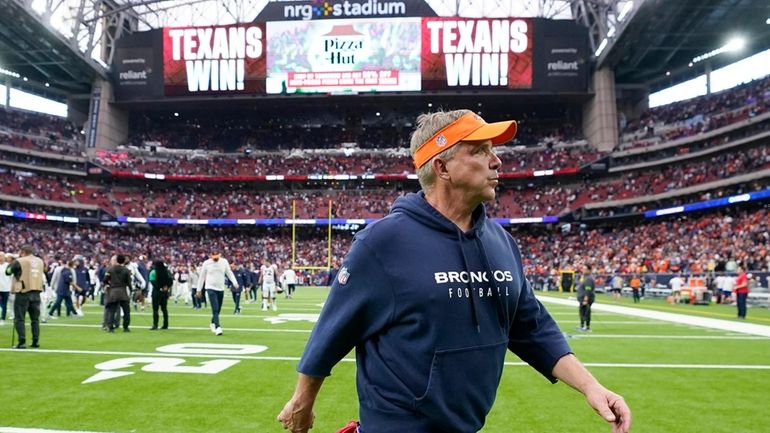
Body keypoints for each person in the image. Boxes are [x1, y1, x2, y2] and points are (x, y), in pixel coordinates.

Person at [277, 110, 631, 433]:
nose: (496, 160)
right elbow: (332, 331)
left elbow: (532, 328)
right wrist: (302, 402)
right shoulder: (383, 242)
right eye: (479, 151)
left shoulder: (501, 242)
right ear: (442, 168)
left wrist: (592, 387)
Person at [5, 244, 45, 349]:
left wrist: (14, 261)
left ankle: (21, 342)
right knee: (35, 319)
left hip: (23, 292)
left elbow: (8, 272)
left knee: (19, 318)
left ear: (22, 252)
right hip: (36, 292)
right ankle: (35, 341)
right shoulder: (40, 261)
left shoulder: (20, 261)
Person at [197, 251, 239, 336]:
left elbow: (229, 272)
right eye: (214, 257)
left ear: (220, 255)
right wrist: (199, 289)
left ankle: (213, 322)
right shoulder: (206, 263)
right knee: (215, 308)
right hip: (210, 288)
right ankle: (218, 327)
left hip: (220, 288)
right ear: (210, 256)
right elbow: (202, 276)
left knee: (218, 308)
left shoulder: (224, 262)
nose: (215, 258)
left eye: (217, 257)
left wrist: (235, 282)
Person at [102, 254, 132, 333]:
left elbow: (105, 280)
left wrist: (108, 285)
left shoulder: (110, 269)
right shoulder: (126, 270)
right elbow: (129, 282)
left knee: (112, 310)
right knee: (126, 311)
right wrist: (131, 291)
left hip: (113, 292)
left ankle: (111, 327)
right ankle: (126, 327)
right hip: (123, 292)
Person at [149, 259, 174, 330]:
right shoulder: (167, 271)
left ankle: (155, 325)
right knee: (164, 309)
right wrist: (166, 287)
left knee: (155, 309)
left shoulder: (153, 272)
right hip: (165, 292)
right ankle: (165, 325)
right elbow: (171, 281)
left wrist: (159, 288)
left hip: (156, 292)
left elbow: (153, 282)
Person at [576, 266, 596, 331]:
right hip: (582, 298)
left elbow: (588, 289)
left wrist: (586, 298)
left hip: (586, 298)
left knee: (586, 312)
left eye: (585, 269)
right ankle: (582, 326)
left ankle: (586, 327)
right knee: (582, 312)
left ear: (589, 270)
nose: (583, 270)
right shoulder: (585, 278)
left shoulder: (588, 279)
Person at [0, 252, 12, 326]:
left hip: (6, 288)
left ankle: (3, 319)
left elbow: (11, 277)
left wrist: (11, 287)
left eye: (1, 256)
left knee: (4, 304)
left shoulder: (8, 266)